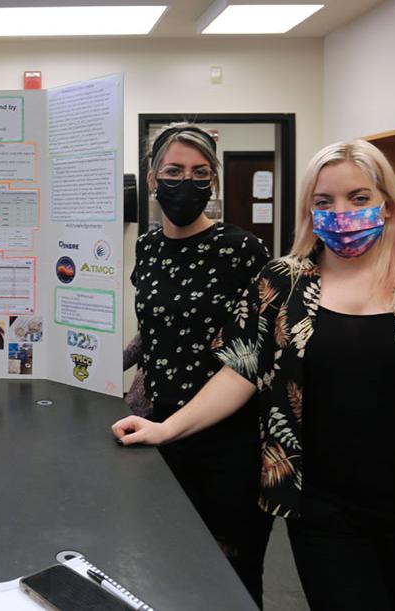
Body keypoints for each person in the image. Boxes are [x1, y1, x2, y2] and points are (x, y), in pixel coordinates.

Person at [113, 140, 395, 611]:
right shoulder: (282, 283)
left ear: (387, 205)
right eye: (324, 202)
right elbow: (240, 372)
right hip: (323, 512)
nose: (342, 212)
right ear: (309, 211)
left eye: (358, 198)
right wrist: (165, 427)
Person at [130, 124, 272, 606]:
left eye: (199, 173)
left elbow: (255, 349)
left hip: (230, 441)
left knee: (230, 573)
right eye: (173, 171)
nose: (185, 183)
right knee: (162, 563)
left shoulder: (243, 250)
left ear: (212, 181)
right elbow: (154, 328)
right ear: (152, 179)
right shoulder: (147, 247)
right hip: (160, 432)